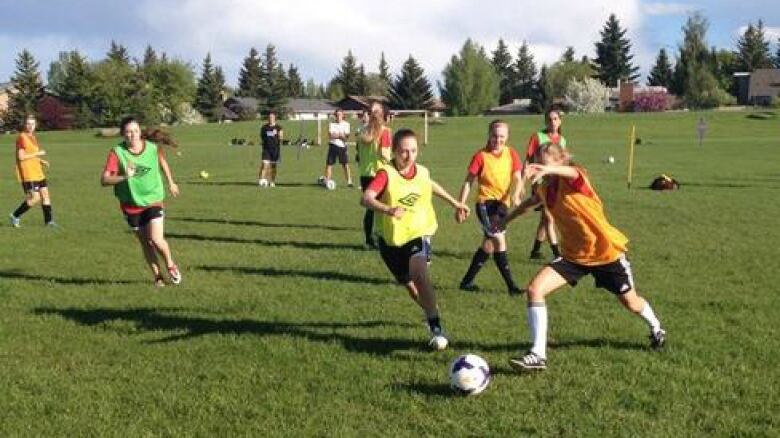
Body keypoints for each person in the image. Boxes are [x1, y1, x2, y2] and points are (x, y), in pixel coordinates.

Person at [505, 142, 666, 371]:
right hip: (573, 257)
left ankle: (656, 328)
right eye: (537, 161)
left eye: (545, 162)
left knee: (631, 302)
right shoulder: (545, 189)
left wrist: (548, 170)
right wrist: (502, 222)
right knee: (534, 290)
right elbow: (528, 205)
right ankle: (538, 354)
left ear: (561, 161)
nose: (540, 167)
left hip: (606, 253)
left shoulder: (577, 178)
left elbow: (571, 172)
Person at [361, 128, 469, 350]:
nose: (409, 157)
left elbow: (429, 184)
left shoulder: (422, 171)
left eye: (413, 151)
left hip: (420, 231)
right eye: (403, 152)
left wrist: (455, 202)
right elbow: (366, 198)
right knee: (411, 286)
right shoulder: (386, 174)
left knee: (420, 273)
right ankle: (432, 312)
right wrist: (388, 209)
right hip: (390, 240)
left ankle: (436, 327)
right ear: (393, 152)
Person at [101, 117, 182, 287]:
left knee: (156, 239)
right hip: (131, 205)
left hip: (153, 199)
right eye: (128, 132)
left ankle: (170, 264)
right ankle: (158, 277)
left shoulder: (152, 148)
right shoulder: (117, 152)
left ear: (140, 132)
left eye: (136, 131)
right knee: (146, 243)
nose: (133, 135)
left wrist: (171, 182)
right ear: (123, 134)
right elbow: (104, 180)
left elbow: (162, 163)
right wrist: (125, 177)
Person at [457, 120, 524, 295]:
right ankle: (512, 287)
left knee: (488, 245)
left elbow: (517, 177)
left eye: (502, 136)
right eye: (495, 135)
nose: (498, 139)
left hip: (502, 206)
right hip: (485, 204)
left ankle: (466, 282)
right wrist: (460, 204)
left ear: (507, 137)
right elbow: (468, 182)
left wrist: (516, 194)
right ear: (489, 135)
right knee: (499, 240)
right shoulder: (480, 156)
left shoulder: (511, 154)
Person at [525, 109, 566, 260]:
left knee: (545, 218)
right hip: (540, 184)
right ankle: (557, 255)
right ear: (545, 121)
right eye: (549, 119)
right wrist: (524, 181)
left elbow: (562, 162)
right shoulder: (538, 137)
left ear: (560, 121)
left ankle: (535, 251)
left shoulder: (562, 140)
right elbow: (528, 160)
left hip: (554, 184)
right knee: (549, 218)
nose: (552, 122)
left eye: (555, 119)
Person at [9, 115, 56, 227]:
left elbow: (31, 154)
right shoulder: (22, 137)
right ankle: (15, 215)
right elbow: (21, 157)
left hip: (38, 172)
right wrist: (38, 153)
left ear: (36, 125)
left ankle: (49, 222)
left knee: (45, 195)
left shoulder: (32, 137)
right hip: (28, 173)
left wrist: (41, 161)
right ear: (24, 125)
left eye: (33, 124)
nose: (30, 126)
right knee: (35, 198)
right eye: (28, 124)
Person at [356, 102, 392, 248]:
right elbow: (384, 154)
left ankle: (368, 240)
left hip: (364, 173)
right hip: (379, 174)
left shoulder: (362, 131)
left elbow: (358, 154)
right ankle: (382, 237)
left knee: (370, 208)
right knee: (384, 207)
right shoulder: (385, 132)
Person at [320, 109, 353, 187]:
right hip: (332, 146)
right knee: (329, 164)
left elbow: (346, 138)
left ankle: (349, 181)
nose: (338, 117)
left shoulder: (346, 124)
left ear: (343, 115)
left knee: (345, 164)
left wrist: (338, 135)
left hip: (342, 147)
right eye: (337, 115)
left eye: (340, 115)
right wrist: (340, 135)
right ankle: (327, 181)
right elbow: (331, 136)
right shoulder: (332, 124)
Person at [258, 111, 283, 187]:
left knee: (273, 166)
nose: (270, 119)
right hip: (266, 149)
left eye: (272, 117)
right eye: (269, 117)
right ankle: (261, 180)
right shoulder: (264, 128)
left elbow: (281, 138)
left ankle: (272, 181)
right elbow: (262, 137)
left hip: (275, 150)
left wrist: (278, 135)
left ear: (275, 118)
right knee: (265, 164)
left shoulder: (278, 128)